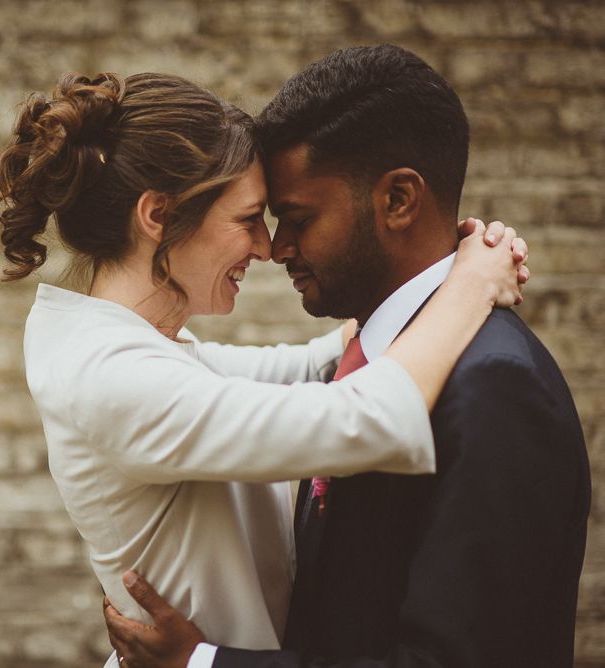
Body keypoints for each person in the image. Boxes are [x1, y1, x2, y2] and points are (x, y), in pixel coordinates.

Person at [0, 71, 525, 665]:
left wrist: (405, 286)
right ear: (159, 215)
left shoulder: (134, 344)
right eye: (248, 219)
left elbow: (301, 370)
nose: (268, 247)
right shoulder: (111, 376)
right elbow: (369, 418)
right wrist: (471, 283)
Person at [102, 46, 590, 668]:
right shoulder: (372, 358)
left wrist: (205, 664)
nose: (276, 248)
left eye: (298, 219)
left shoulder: (496, 387)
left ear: (398, 201)